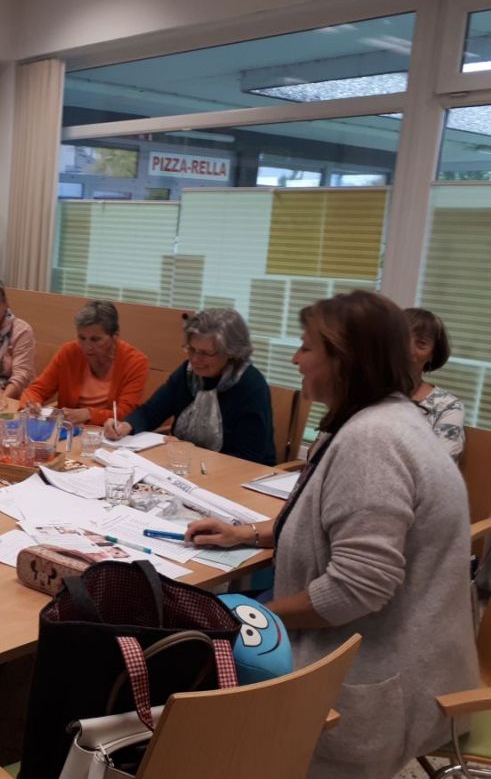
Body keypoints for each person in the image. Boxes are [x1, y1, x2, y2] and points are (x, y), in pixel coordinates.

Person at [186, 290, 478, 779]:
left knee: (188, 658)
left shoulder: (373, 441)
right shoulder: (382, 419)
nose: (296, 359)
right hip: (383, 653)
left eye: (307, 347)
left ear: (345, 360)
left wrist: (254, 616)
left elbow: (356, 589)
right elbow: (331, 526)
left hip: (372, 683)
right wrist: (246, 534)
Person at [104, 308, 275, 465]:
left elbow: (249, 457)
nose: (195, 360)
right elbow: (151, 411)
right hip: (185, 465)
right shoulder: (188, 373)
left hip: (239, 474)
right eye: (191, 350)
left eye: (206, 353)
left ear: (231, 352)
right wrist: (127, 425)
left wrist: (190, 452)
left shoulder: (250, 385)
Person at [20, 300, 148, 425]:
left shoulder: (135, 362)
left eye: (95, 339)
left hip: (109, 434)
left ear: (115, 336)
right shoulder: (69, 352)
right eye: (82, 338)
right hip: (70, 430)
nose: (87, 347)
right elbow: (36, 390)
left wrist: (89, 414)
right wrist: (32, 404)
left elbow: (126, 414)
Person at [405, 307, 465, 461]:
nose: (408, 349)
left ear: (432, 354)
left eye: (421, 343)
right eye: (401, 338)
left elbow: (438, 466)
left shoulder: (447, 406)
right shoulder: (368, 393)